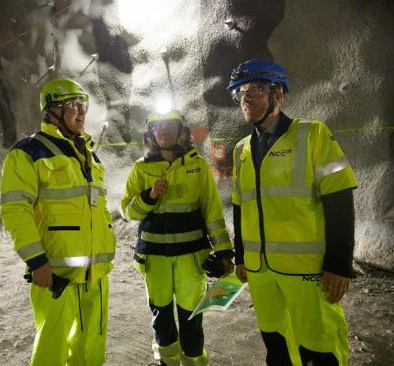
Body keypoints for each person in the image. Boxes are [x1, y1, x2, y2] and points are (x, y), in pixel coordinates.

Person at [227, 59, 357, 366]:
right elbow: (239, 206)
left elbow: (340, 199)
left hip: (307, 273)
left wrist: (339, 265)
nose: (246, 98)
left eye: (256, 89)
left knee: (320, 349)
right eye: (240, 92)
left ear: (279, 94)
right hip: (261, 273)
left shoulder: (314, 135)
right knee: (277, 347)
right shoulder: (241, 150)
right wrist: (241, 257)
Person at [0, 78, 116, 365]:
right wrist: (37, 260)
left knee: (91, 351)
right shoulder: (28, 152)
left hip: (96, 275)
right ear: (52, 111)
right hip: (56, 275)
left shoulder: (89, 154)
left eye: (83, 105)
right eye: (73, 105)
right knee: (52, 351)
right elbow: (16, 209)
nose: (81, 112)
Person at [121, 109, 234, 366]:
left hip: (191, 258)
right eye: (158, 126)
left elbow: (213, 213)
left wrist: (225, 253)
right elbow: (128, 211)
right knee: (161, 316)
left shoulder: (198, 166)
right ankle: (168, 363)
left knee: (191, 316)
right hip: (155, 259)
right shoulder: (141, 169)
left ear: (182, 131)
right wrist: (149, 196)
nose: (164, 130)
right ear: (151, 134)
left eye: (170, 125)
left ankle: (194, 362)